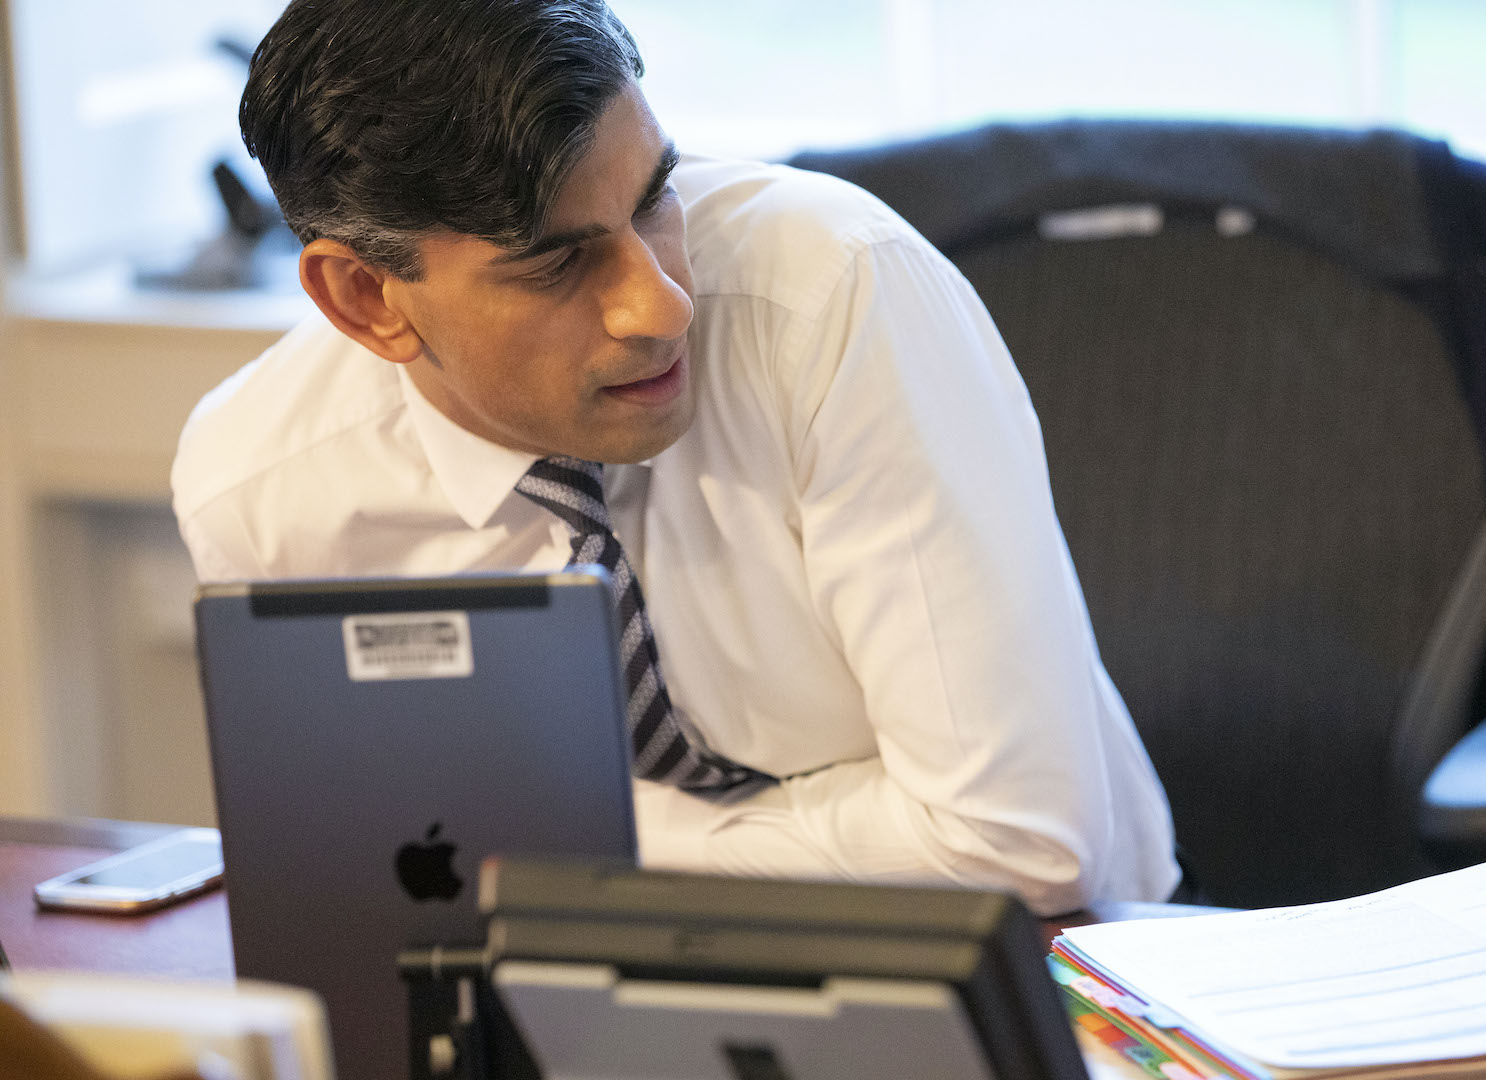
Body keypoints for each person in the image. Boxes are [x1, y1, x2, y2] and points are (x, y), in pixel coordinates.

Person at [171, 0, 1178, 915]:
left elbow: (1019, 844)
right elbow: (364, 876)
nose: (661, 304)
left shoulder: (835, 293)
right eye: (558, 263)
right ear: (365, 300)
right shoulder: (260, 489)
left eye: (656, 197)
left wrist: (573, 847)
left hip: (1027, 967)